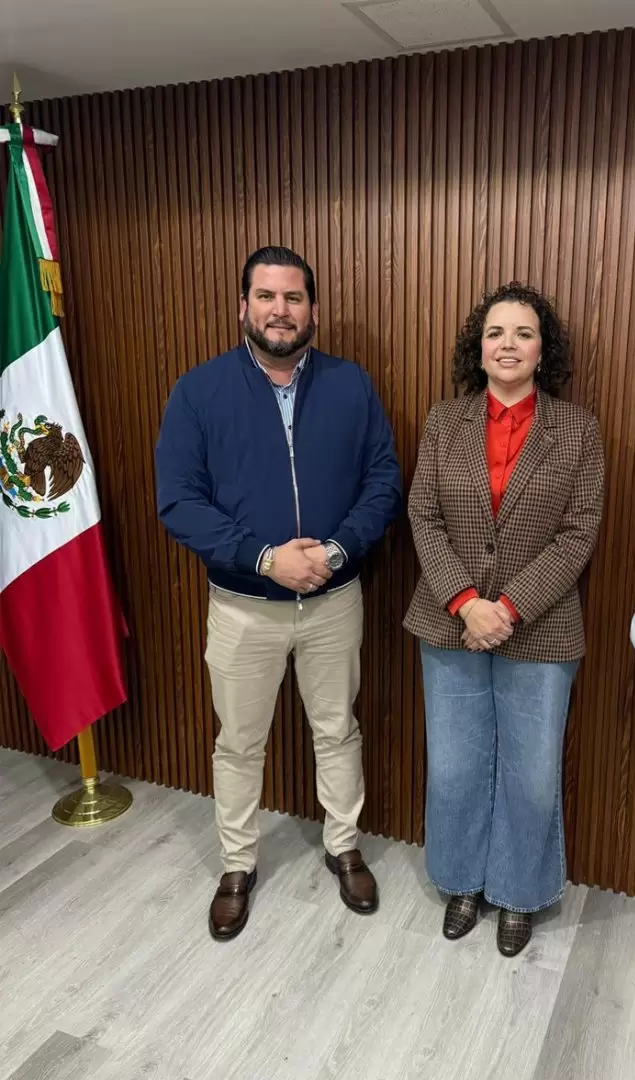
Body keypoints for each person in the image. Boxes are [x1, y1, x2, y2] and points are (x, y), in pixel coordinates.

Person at [155, 245, 401, 940]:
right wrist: (262, 558)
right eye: (266, 296)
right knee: (238, 742)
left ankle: (342, 845)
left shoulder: (351, 385)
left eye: (292, 298)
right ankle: (237, 865)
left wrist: (334, 549)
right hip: (242, 608)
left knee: (337, 729)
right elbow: (177, 501)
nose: (279, 310)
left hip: (333, 598)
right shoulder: (197, 391)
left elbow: (382, 479)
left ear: (312, 310)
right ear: (243, 307)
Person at [404, 282, 604, 957]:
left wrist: (508, 608)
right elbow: (422, 516)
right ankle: (461, 881)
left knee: (531, 770)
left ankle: (519, 892)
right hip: (449, 622)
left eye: (522, 334)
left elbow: (578, 535)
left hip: (541, 629)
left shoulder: (577, 430)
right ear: (478, 347)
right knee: (455, 767)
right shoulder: (442, 422)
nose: (508, 345)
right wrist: (466, 601)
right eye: (496, 333)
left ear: (542, 350)